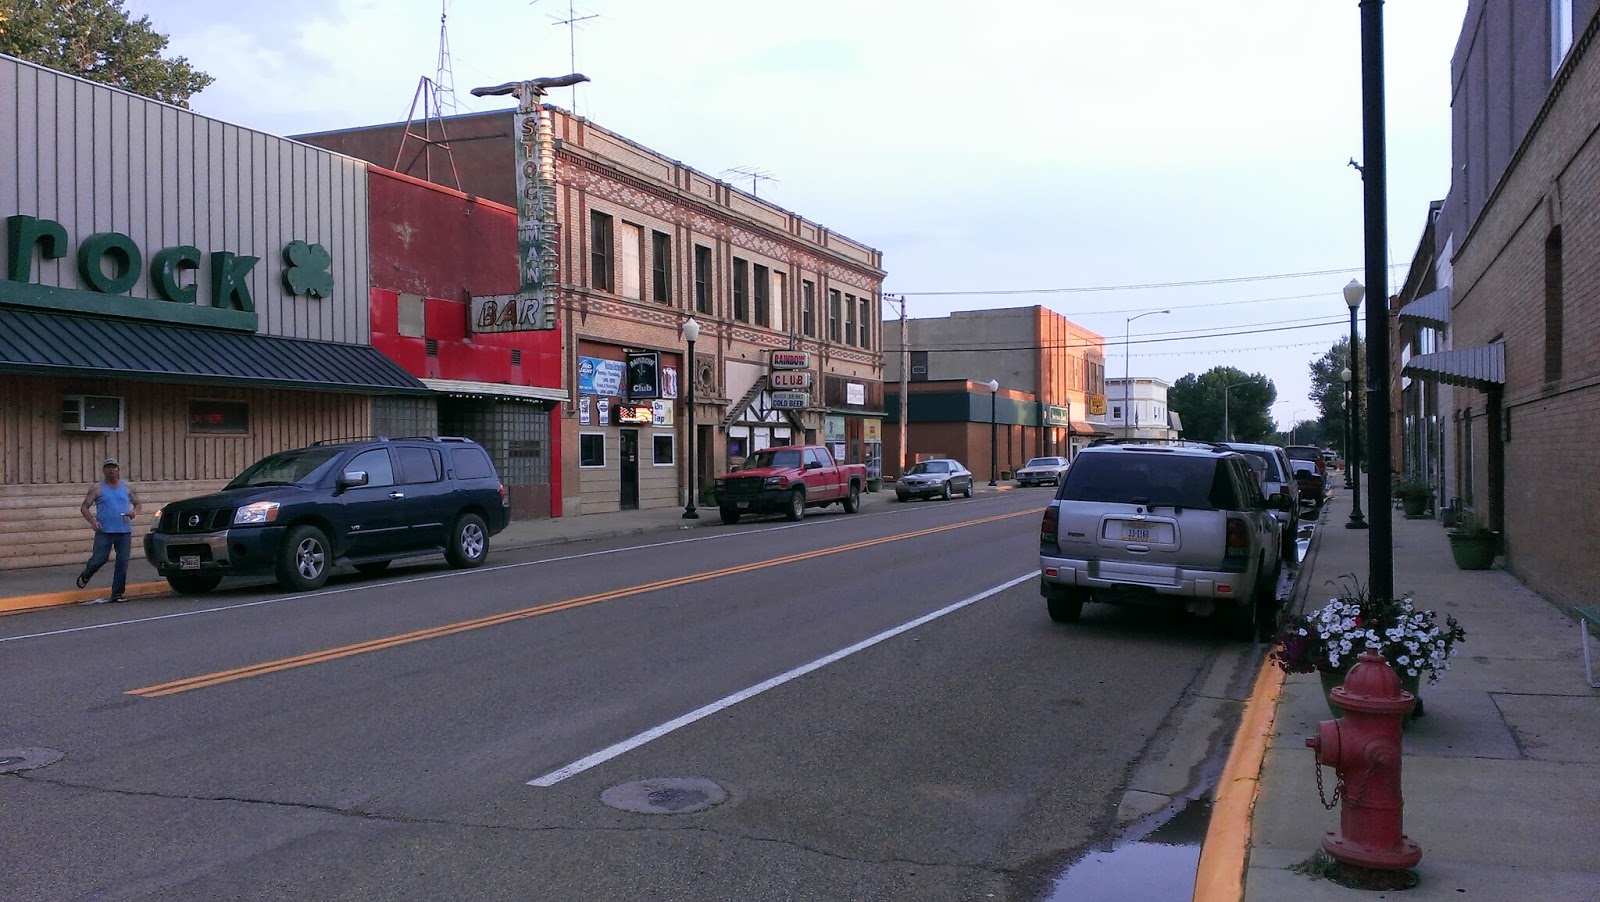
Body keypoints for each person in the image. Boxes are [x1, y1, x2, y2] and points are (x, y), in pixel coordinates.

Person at [77, 457, 141, 603]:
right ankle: (86, 574)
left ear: (118, 470)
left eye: (114, 467)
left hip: (124, 531)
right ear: (104, 470)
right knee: (99, 559)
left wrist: (134, 513)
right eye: (108, 468)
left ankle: (117, 593)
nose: (111, 470)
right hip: (104, 531)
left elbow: (138, 504)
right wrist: (93, 522)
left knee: (122, 562)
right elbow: (84, 507)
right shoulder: (97, 488)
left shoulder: (127, 487)